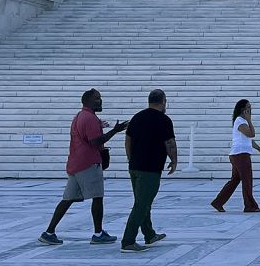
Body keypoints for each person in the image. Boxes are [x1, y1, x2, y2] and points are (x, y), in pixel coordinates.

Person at [39, 88, 127, 246]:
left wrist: (101, 125)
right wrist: (115, 130)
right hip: (88, 163)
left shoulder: (80, 116)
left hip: (75, 163)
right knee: (97, 197)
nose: (100, 100)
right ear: (87, 101)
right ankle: (98, 233)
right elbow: (95, 141)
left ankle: (49, 232)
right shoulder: (89, 118)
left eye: (100, 98)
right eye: (97, 98)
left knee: (67, 199)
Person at [121, 89, 176, 253]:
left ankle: (149, 235)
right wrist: (174, 160)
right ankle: (128, 241)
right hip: (150, 169)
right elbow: (170, 142)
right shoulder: (164, 120)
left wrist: (131, 159)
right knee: (141, 204)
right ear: (164, 102)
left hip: (135, 167)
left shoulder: (137, 117)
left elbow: (128, 140)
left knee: (143, 201)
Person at [210, 99, 260, 213]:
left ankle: (218, 202)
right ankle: (250, 206)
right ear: (242, 109)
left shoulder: (242, 121)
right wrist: (250, 121)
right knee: (247, 180)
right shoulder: (240, 121)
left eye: (250, 107)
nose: (250, 109)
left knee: (235, 180)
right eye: (248, 107)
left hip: (239, 154)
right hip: (240, 155)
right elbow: (251, 134)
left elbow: (248, 140)